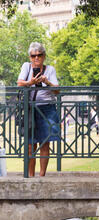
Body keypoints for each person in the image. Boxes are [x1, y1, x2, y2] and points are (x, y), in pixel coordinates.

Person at [17, 42, 60, 177]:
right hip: (31, 109)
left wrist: (47, 82)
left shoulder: (50, 70)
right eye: (33, 56)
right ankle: (31, 176)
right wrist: (30, 82)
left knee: (45, 143)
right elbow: (19, 83)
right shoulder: (26, 67)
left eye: (39, 55)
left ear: (44, 56)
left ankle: (42, 176)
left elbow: (57, 91)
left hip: (47, 108)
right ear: (30, 57)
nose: (36, 58)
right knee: (30, 145)